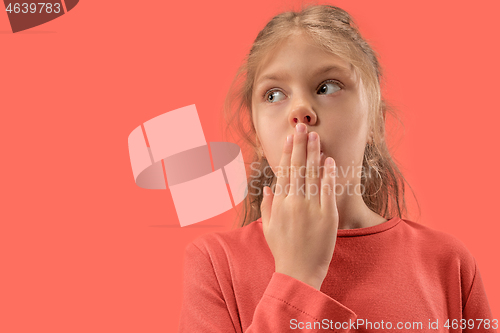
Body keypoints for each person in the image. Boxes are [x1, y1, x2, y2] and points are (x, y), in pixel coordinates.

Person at [178, 4, 496, 332]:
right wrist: (296, 276)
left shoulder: (449, 263)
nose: (301, 110)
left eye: (327, 86)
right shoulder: (215, 265)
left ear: (374, 119)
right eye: (274, 95)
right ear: (257, 135)